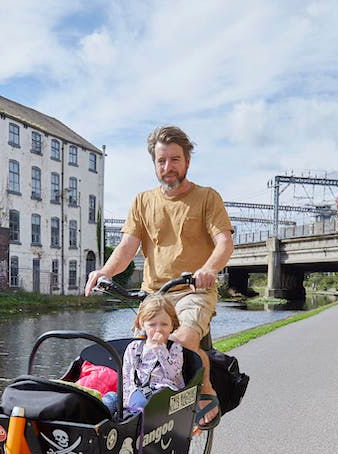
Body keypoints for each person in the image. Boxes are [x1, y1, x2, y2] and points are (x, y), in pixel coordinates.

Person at [86, 126, 233, 430]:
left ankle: (205, 392)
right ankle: (139, 413)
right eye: (162, 161)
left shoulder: (206, 198)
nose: (168, 167)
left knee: (180, 341)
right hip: (154, 295)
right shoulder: (142, 201)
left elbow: (224, 242)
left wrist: (208, 269)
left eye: (175, 159)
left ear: (187, 161)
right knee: (136, 352)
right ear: (154, 164)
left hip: (194, 290)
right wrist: (104, 272)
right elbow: (127, 247)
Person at [102, 295, 186, 413]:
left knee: (145, 405)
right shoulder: (134, 348)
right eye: (152, 325)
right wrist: (126, 398)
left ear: (172, 325)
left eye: (164, 324)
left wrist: (160, 348)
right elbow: (126, 377)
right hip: (136, 391)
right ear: (142, 325)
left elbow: (172, 374)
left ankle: (136, 419)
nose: (158, 329)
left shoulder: (175, 348)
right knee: (109, 401)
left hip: (164, 391)